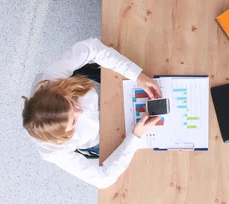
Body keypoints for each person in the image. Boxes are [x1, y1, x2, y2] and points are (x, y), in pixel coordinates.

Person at [23, 38, 162, 188]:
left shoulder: (51, 80)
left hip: (100, 88)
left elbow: (92, 48)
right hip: (100, 135)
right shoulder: (52, 151)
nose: (81, 111)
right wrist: (135, 137)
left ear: (58, 92)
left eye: (72, 103)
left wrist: (137, 75)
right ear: (62, 137)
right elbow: (103, 179)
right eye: (74, 122)